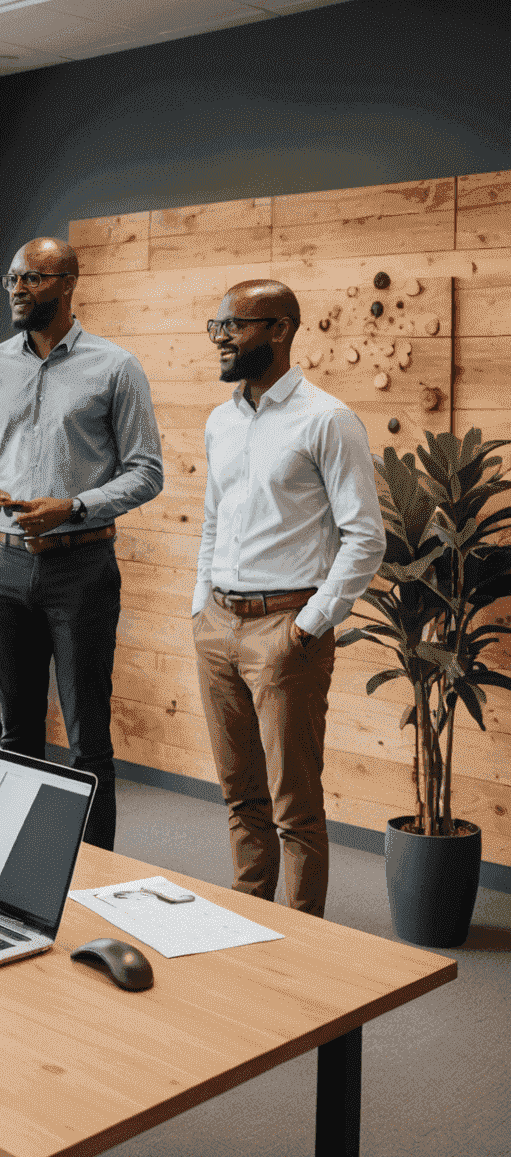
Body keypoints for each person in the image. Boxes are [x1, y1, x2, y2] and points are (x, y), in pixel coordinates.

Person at [0, 238, 163, 849]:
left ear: (69, 283)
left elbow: (146, 471)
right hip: (0, 566)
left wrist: (73, 507)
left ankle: (96, 874)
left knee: (87, 737)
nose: (17, 288)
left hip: (81, 569)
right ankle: (18, 870)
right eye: (12, 278)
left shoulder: (115, 367)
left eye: (33, 278)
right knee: (15, 732)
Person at [194, 280, 385, 918]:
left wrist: (307, 627)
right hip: (219, 627)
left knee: (294, 807)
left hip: (287, 630)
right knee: (238, 795)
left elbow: (366, 538)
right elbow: (213, 520)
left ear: (280, 329)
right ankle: (249, 919)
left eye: (234, 325)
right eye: (216, 324)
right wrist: (202, 608)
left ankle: (304, 940)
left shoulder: (327, 420)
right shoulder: (221, 420)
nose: (220, 336)